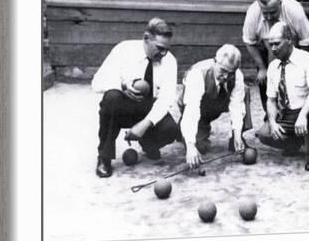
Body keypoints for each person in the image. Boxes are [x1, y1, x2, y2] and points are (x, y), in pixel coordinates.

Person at [91, 17, 180, 177]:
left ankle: (148, 143)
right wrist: (123, 86)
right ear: (146, 38)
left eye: (166, 49)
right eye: (160, 48)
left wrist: (145, 124)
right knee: (111, 97)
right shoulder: (124, 50)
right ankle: (104, 157)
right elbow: (97, 82)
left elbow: (166, 99)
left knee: (171, 129)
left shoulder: (169, 61)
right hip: (123, 108)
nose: (163, 53)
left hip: (148, 109)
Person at [256, 22, 309, 171]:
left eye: (277, 44)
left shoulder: (308, 60)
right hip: (289, 113)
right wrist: (272, 122)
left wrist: (303, 115)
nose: (273, 49)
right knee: (265, 134)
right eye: (270, 45)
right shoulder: (273, 67)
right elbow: (271, 100)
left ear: (289, 39)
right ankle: (298, 141)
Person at [242, 0, 309, 113]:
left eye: (273, 12)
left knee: (293, 80)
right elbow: (249, 42)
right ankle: (270, 117)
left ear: (280, 4)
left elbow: (307, 40)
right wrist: (263, 68)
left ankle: (295, 112)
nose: (269, 17)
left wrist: (299, 65)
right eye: (265, 13)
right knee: (265, 80)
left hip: (292, 47)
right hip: (265, 48)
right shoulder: (253, 13)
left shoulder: (294, 11)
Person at [179, 44, 248, 169]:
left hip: (217, 103)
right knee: (199, 148)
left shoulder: (237, 75)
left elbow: (237, 105)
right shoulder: (197, 74)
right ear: (215, 61)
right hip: (197, 108)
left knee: (245, 91)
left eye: (231, 73)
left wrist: (237, 133)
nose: (226, 77)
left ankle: (236, 140)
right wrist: (190, 145)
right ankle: (184, 132)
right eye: (223, 71)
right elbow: (191, 111)